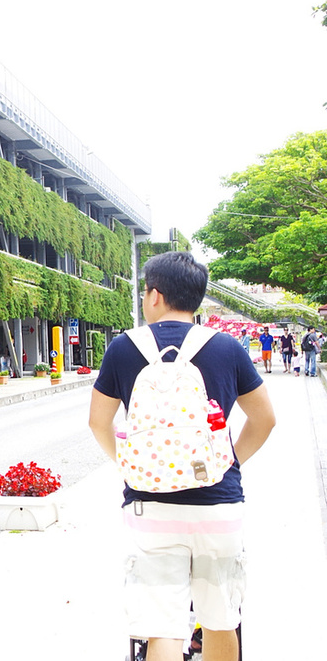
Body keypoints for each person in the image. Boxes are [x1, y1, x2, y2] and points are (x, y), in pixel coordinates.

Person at [88, 251, 275, 661]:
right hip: (218, 505)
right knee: (221, 619)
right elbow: (265, 420)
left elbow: (98, 423)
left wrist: (128, 466)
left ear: (154, 295)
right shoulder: (227, 347)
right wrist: (229, 461)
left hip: (151, 507)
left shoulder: (123, 348)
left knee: (162, 627)